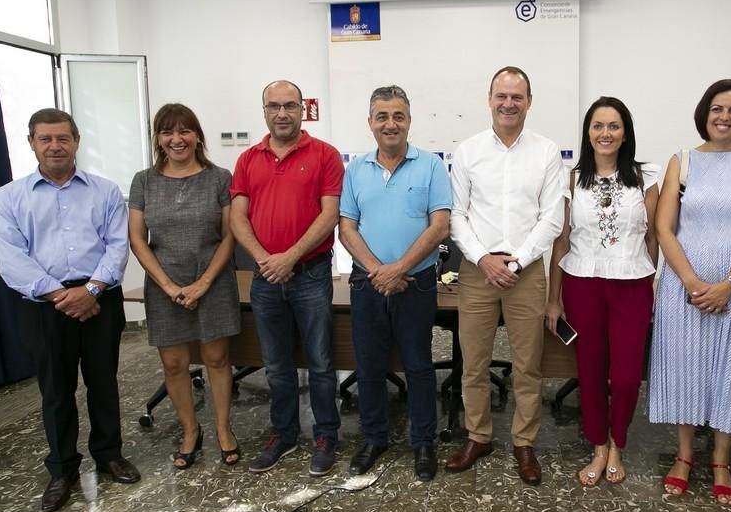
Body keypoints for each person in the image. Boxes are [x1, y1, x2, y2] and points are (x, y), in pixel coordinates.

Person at [0, 108, 140, 512]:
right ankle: (62, 468)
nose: (55, 146)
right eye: (45, 139)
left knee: (103, 381)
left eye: (63, 138)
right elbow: (12, 258)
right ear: (32, 143)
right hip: (44, 306)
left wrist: (91, 290)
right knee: (56, 389)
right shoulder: (7, 199)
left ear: (76, 141)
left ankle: (109, 454)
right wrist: (60, 295)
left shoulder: (105, 191)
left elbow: (116, 245)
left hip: (100, 299)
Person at [649, 79, 731, 506]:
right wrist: (689, 281)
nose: (724, 117)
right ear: (704, 113)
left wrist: (730, 285)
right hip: (684, 286)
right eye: (717, 108)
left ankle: (721, 459)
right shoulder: (682, 161)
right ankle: (685, 456)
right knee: (685, 366)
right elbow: (664, 228)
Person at [446, 66, 565, 485]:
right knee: (473, 364)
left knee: (527, 365)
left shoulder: (547, 152)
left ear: (529, 101)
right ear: (489, 99)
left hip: (526, 272)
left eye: (517, 96)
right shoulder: (468, 151)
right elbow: (456, 216)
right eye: (502, 95)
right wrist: (484, 260)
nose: (508, 103)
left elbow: (553, 218)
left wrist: (517, 261)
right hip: (478, 271)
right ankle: (478, 436)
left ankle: (524, 442)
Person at [338, 85, 452, 481]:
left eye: (398, 116)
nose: (390, 124)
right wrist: (378, 271)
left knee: (419, 366)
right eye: (382, 117)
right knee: (369, 365)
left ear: (409, 120)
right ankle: (374, 438)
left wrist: (400, 267)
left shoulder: (432, 166)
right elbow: (346, 229)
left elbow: (439, 226)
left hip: (415, 282)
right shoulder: (355, 170)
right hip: (367, 282)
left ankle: (423, 442)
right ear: (370, 123)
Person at [230, 80, 343, 476]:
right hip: (265, 278)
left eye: (290, 106)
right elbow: (237, 217)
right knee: (275, 364)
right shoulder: (248, 159)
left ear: (303, 109)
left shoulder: (325, 155)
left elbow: (329, 215)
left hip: (310, 274)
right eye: (274, 106)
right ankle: (284, 433)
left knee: (321, 362)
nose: (282, 113)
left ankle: (326, 434)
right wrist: (265, 260)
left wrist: (290, 257)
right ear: (264, 111)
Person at [546, 97, 659, 486]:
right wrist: (553, 298)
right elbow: (562, 242)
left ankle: (618, 443)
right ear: (587, 133)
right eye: (598, 126)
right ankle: (598, 446)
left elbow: (655, 238)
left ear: (625, 132)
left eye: (613, 126)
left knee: (627, 376)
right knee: (590, 372)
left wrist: (654, 285)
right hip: (582, 284)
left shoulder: (647, 177)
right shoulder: (570, 178)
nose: (605, 133)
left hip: (632, 286)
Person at [129, 103, 241, 469]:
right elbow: (138, 240)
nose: (176, 139)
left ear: (197, 136)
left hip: (214, 281)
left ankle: (224, 429)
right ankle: (190, 431)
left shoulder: (219, 177)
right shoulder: (143, 181)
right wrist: (169, 286)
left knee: (216, 358)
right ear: (158, 138)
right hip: (164, 287)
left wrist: (203, 283)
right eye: (167, 132)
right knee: (175, 364)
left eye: (184, 131)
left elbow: (230, 235)